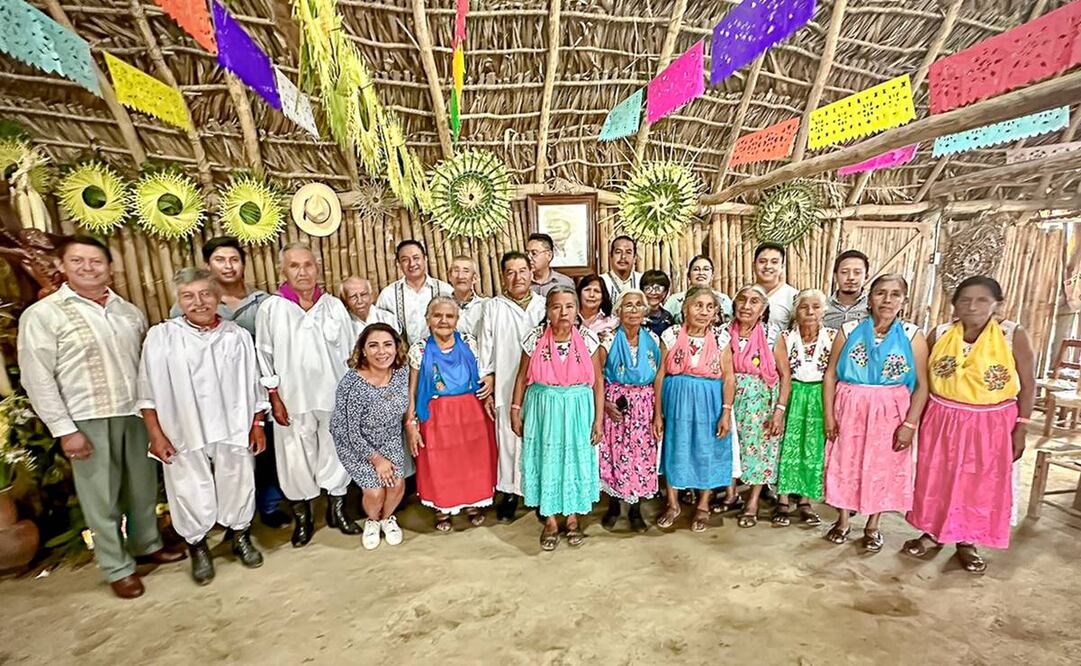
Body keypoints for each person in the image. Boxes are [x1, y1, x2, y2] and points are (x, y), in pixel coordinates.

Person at [18, 235, 184, 599]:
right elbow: (37, 377)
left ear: (110, 267)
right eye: (78, 261)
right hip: (86, 418)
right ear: (62, 266)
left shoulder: (127, 312)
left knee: (142, 488)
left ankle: (146, 544)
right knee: (100, 496)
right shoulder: (45, 315)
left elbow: (146, 365)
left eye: (96, 262)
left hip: (134, 412)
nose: (88, 268)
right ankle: (116, 566)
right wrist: (64, 429)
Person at [139, 268, 267, 585]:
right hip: (182, 428)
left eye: (205, 294)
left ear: (217, 297)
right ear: (178, 300)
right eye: (189, 296)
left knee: (238, 480)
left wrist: (256, 423)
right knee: (187, 487)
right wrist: (155, 433)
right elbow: (147, 390)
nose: (198, 302)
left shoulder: (236, 337)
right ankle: (197, 545)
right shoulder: (162, 337)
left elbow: (253, 385)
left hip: (232, 425)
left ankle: (240, 536)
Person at [904, 277, 1035, 574]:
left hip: (990, 424)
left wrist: (1022, 427)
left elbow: (1028, 386)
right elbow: (923, 382)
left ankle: (967, 541)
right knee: (937, 478)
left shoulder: (1012, 335)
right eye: (965, 300)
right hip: (942, 419)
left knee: (979, 483)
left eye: (981, 300)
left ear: (996, 304)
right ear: (955, 305)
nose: (972, 306)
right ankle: (933, 532)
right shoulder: (940, 334)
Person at [169, 236, 289, 529]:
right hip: (215, 395)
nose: (228, 266)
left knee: (266, 450)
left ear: (244, 264)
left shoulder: (264, 302)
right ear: (208, 266)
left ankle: (269, 506)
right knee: (228, 459)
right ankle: (227, 519)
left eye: (234, 259)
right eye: (220, 260)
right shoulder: (192, 308)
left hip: (260, 388)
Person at [255, 242, 359, 547]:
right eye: (294, 266)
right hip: (292, 399)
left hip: (333, 396)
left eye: (308, 265)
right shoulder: (272, 309)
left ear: (317, 267)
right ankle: (303, 517)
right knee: (295, 459)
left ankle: (336, 510)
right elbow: (264, 355)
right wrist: (274, 396)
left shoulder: (333, 306)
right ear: (283, 270)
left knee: (336, 453)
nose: (303, 272)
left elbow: (350, 353)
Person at [822, 274, 929, 552]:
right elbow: (831, 374)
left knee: (881, 466)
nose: (887, 300)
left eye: (895, 294)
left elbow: (922, 385)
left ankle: (872, 525)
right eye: (881, 293)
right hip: (850, 408)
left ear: (904, 300)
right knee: (847, 461)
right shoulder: (849, 330)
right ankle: (843, 520)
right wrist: (829, 415)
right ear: (869, 298)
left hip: (890, 413)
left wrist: (910, 423)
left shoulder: (912, 335)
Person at [510, 287, 603, 550]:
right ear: (547, 310)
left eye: (569, 306)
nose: (563, 313)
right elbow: (521, 377)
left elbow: (597, 382)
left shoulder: (587, 339)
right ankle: (550, 520)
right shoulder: (535, 337)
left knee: (574, 458)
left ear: (576, 310)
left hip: (577, 407)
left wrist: (597, 421)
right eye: (556, 307)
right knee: (546, 458)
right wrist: (516, 409)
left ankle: (572, 519)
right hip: (544, 406)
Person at [405, 298, 497, 531]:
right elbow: (412, 389)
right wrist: (411, 422)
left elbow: (484, 372)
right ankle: (442, 507)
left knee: (471, 460)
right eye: (437, 315)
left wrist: (490, 384)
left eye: (449, 316)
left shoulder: (469, 342)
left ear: (457, 320)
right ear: (428, 319)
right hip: (436, 414)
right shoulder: (419, 349)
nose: (443, 321)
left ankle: (472, 503)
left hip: (471, 411)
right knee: (440, 462)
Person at [656, 287, 736, 532]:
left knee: (707, 450)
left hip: (709, 404)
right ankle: (673, 503)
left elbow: (730, 377)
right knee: (674, 449)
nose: (703, 312)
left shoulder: (722, 339)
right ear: (685, 309)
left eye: (709, 307)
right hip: (676, 403)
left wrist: (726, 412)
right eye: (697, 305)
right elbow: (660, 375)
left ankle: (703, 504)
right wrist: (657, 413)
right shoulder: (670, 335)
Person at [479, 252, 547, 521]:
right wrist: (488, 380)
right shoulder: (493, 307)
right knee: (508, 439)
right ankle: (509, 492)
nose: (517, 277)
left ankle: (540, 492)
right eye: (510, 272)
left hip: (543, 386)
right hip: (506, 384)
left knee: (539, 437)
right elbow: (486, 347)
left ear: (531, 272)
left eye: (522, 270)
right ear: (503, 277)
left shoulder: (544, 305)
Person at [329, 324, 410, 550]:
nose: (381, 352)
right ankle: (372, 521)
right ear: (363, 350)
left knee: (396, 485)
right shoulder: (352, 384)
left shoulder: (402, 372)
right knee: (374, 491)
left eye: (387, 345)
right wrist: (377, 460)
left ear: (396, 348)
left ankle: (387, 519)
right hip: (355, 442)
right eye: (373, 345)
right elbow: (349, 431)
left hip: (390, 437)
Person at [597, 289, 664, 533]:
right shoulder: (607, 339)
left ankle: (636, 509)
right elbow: (597, 377)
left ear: (645, 311)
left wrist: (658, 414)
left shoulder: (654, 341)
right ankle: (614, 505)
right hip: (616, 403)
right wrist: (605, 404)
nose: (633, 309)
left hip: (645, 405)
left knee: (641, 456)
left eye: (638, 305)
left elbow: (658, 377)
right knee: (615, 453)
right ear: (619, 311)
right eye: (628, 305)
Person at [770, 289, 835, 527]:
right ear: (795, 311)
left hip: (820, 396)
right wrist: (780, 408)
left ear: (824, 310)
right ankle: (783, 499)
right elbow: (784, 375)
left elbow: (832, 374)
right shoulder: (785, 338)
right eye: (804, 307)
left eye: (816, 307)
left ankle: (806, 500)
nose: (810, 312)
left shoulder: (833, 336)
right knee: (787, 446)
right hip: (793, 393)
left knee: (814, 448)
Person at [720, 285, 782, 528]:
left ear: (763, 309)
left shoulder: (773, 335)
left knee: (760, 450)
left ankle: (753, 501)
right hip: (729, 397)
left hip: (761, 401)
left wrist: (779, 410)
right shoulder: (723, 332)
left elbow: (784, 376)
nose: (746, 306)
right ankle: (731, 493)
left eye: (754, 301)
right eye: (742, 300)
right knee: (729, 445)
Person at [376, 240, 452, 345]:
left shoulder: (445, 291)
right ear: (398, 264)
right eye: (405, 260)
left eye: (416, 258)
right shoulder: (388, 295)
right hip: (401, 359)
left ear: (425, 259)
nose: (412, 264)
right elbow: (378, 331)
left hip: (440, 358)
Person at [663, 255, 733, 324]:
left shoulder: (724, 300)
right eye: (696, 269)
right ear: (689, 275)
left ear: (712, 275)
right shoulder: (675, 300)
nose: (701, 273)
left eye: (706, 269)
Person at [754, 243, 799, 331]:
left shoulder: (793, 297)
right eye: (762, 261)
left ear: (782, 267)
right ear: (754, 265)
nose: (768, 266)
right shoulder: (744, 295)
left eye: (774, 262)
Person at [824, 250, 870, 330]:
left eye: (857, 272)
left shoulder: (873, 307)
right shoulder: (823, 307)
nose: (851, 277)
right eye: (844, 272)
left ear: (866, 277)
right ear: (835, 276)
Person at [340, 276, 397, 340]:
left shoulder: (388, 319)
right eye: (353, 297)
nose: (360, 301)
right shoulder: (342, 325)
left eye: (363, 294)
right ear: (345, 300)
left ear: (371, 296)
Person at [448, 256, 488, 340]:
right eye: (456, 271)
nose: (460, 276)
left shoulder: (485, 306)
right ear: (450, 276)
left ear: (474, 278)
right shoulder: (442, 307)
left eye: (466, 271)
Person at [527, 232, 574, 297]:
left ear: (549, 255)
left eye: (534, 253)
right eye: (527, 253)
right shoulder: (523, 282)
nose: (528, 257)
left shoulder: (564, 282)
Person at [600, 235, 642, 301]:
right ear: (610, 257)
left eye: (628, 252)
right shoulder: (601, 281)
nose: (623, 256)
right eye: (618, 252)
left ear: (635, 258)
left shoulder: (641, 280)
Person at [641, 269, 676, 337]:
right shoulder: (635, 314)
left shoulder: (668, 317)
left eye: (658, 289)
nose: (653, 293)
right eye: (648, 289)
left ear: (665, 292)